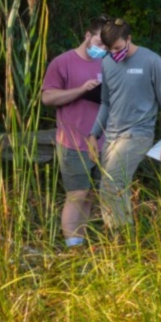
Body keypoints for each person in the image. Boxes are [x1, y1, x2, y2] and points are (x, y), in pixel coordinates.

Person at [87, 18, 161, 231]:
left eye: (118, 48)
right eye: (109, 50)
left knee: (111, 185)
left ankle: (118, 238)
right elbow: (106, 103)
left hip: (138, 134)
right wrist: (93, 134)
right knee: (114, 188)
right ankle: (128, 243)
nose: (114, 53)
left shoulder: (152, 61)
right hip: (111, 137)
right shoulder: (108, 62)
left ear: (129, 39)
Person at [41, 17, 109, 249]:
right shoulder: (63, 62)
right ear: (88, 35)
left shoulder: (109, 64)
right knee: (77, 195)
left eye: (107, 46)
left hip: (102, 142)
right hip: (73, 142)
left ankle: (82, 242)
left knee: (91, 196)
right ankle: (73, 251)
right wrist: (80, 90)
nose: (103, 50)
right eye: (99, 43)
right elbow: (47, 97)